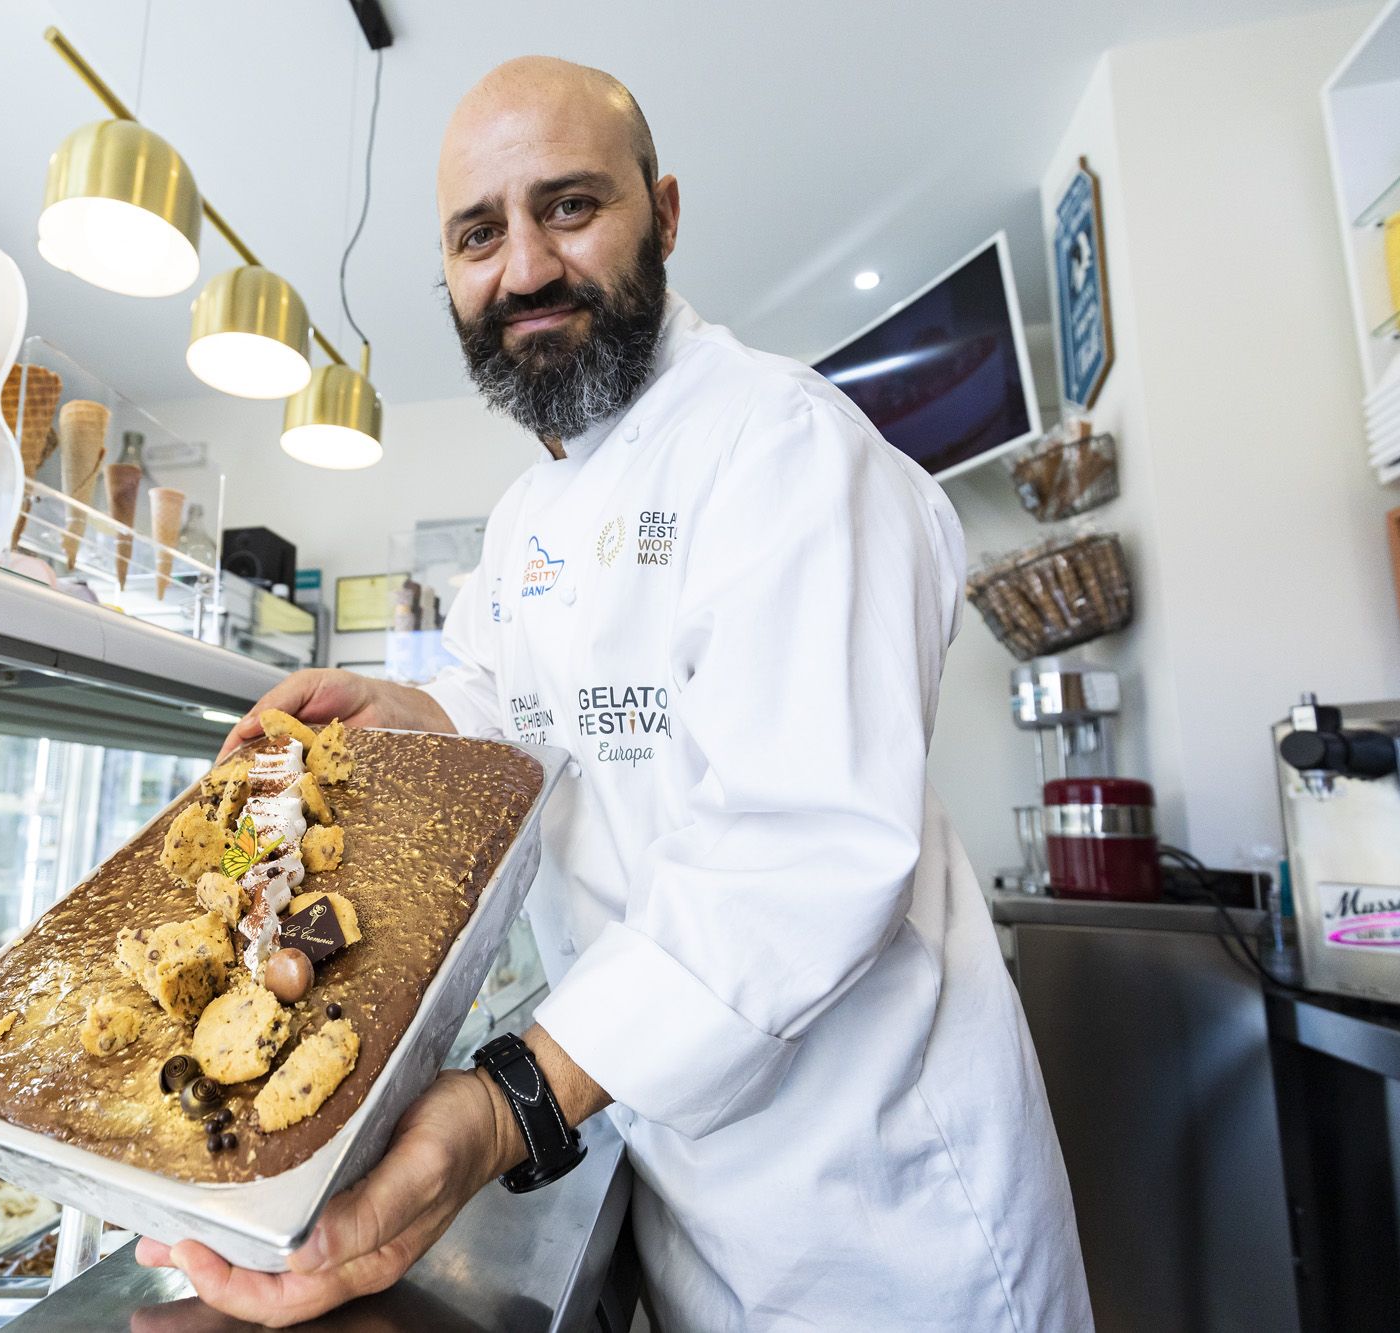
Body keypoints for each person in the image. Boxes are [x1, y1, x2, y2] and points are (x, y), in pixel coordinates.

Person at [137, 56, 1092, 1331]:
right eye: (479, 233)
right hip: (680, 1176)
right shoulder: (535, 508)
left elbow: (799, 854)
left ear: (666, 214)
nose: (522, 267)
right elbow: (507, 697)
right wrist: (409, 716)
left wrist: (506, 1103)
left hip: (878, 1210)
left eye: (569, 207)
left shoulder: (787, 450)